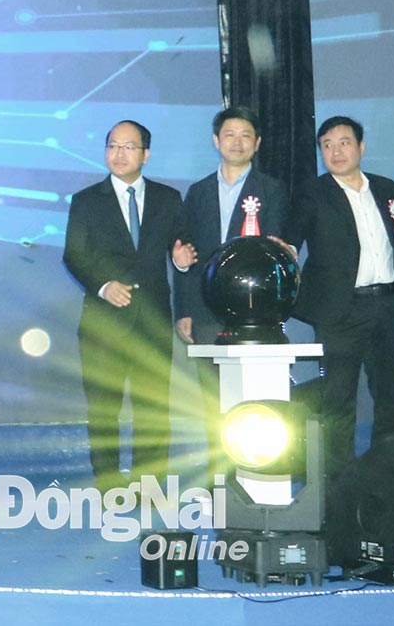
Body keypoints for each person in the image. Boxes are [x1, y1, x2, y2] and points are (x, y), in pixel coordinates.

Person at [285, 116, 394, 478]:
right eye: (327, 144)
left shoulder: (385, 187)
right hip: (341, 313)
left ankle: (388, 480)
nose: (335, 151)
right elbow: (289, 243)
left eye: (344, 142)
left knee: (392, 401)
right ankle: (339, 488)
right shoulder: (312, 192)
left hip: (390, 305)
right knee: (338, 405)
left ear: (361, 147)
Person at [64, 120, 196, 491]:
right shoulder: (87, 201)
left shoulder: (168, 199)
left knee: (154, 409)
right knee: (104, 410)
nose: (118, 154)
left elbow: (181, 249)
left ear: (146, 155)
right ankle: (108, 486)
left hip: (152, 317)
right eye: (112, 146)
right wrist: (104, 286)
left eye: (128, 147)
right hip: (103, 321)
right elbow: (74, 255)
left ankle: (151, 485)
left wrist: (183, 260)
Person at [176, 105, 289, 477]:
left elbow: (278, 256)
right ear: (216, 141)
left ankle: (259, 473)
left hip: (257, 316)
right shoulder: (198, 192)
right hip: (208, 312)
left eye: (245, 136)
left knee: (257, 398)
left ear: (256, 144)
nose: (236, 142)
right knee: (212, 401)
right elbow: (187, 256)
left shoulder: (273, 190)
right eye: (229, 135)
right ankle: (218, 480)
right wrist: (185, 310)